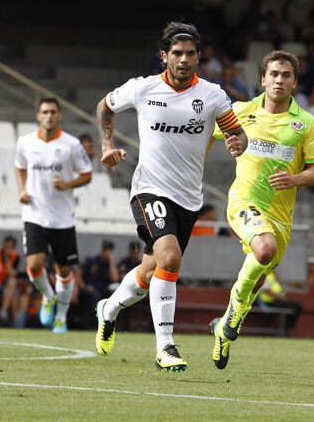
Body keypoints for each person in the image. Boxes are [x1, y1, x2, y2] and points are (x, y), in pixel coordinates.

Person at [94, 22, 247, 372]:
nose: (183, 59)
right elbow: (104, 107)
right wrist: (106, 144)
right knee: (170, 257)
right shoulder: (143, 88)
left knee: (152, 270)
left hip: (189, 198)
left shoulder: (212, 95)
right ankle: (166, 346)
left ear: (198, 57)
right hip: (149, 188)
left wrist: (240, 142)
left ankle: (110, 308)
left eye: (190, 53)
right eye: (176, 53)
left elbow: (235, 132)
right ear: (164, 56)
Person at [209, 50, 314, 370]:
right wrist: (227, 144)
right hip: (244, 201)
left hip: (280, 215)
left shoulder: (306, 124)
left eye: (286, 75)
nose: (279, 80)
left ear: (294, 83)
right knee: (265, 248)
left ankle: (226, 323)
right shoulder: (240, 111)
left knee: (260, 266)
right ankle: (234, 314)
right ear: (263, 79)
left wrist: (295, 178)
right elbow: (209, 131)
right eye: (273, 74)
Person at [15, 97, 93, 333]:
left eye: (53, 112)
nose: (48, 116)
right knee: (34, 264)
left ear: (59, 115)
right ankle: (48, 296)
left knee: (64, 271)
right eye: (44, 112)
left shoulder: (71, 144)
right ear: (38, 116)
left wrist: (68, 184)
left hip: (62, 218)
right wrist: (21, 190)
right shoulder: (25, 142)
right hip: (34, 214)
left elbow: (87, 174)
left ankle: (60, 316)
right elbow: (19, 167)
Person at [77, 240, 119, 329]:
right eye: (106, 251)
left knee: (112, 297)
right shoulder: (92, 261)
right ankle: (92, 325)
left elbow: (115, 279)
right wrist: (83, 286)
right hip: (88, 289)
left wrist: (111, 262)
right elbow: (78, 275)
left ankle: (108, 324)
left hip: (101, 290)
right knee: (95, 296)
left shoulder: (109, 265)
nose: (108, 253)